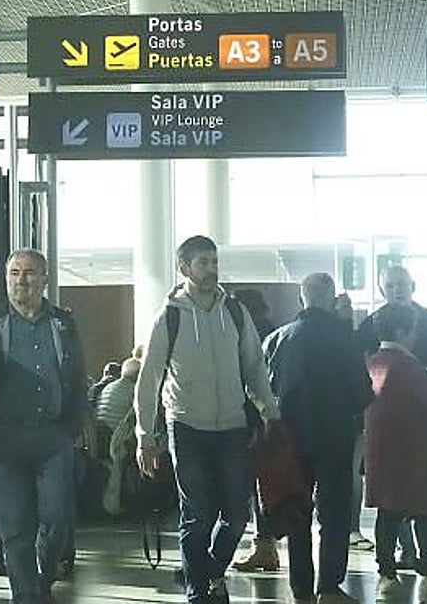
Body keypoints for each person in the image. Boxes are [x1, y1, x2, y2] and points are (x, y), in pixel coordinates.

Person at [134, 235, 279, 604]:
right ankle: (199, 592)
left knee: (236, 515)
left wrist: (269, 411)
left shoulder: (235, 312)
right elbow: (148, 379)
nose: (212, 269)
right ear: (184, 268)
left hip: (231, 426)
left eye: (214, 261)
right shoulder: (169, 316)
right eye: (203, 262)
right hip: (185, 425)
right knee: (196, 515)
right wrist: (145, 436)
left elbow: (254, 367)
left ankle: (209, 571)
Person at [0, 248, 90, 604]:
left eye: (30, 273)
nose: (22, 280)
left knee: (56, 516)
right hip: (2, 437)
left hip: (52, 436)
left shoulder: (62, 323)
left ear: (44, 279)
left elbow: (78, 377)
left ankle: (42, 578)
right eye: (14, 273)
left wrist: (73, 424)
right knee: (15, 524)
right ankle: (26, 595)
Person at [264, 272, 372, 604]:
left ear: (302, 298)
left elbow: (264, 388)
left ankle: (300, 588)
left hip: (291, 439)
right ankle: (329, 587)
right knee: (334, 513)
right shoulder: (345, 339)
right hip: (335, 437)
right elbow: (361, 394)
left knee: (297, 509)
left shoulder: (279, 339)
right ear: (331, 298)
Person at [355, 265, 427, 567]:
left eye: (401, 284)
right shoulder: (404, 360)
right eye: (390, 285)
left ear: (412, 285)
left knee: (391, 503)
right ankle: (425, 562)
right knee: (423, 497)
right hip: (416, 428)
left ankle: (389, 566)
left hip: (387, 433)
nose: (396, 290)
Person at [231, 287, 282, 573]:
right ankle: (266, 546)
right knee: (266, 484)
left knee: (253, 486)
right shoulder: (275, 332)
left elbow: (250, 382)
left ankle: (263, 546)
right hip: (273, 418)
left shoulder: (247, 335)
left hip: (252, 420)